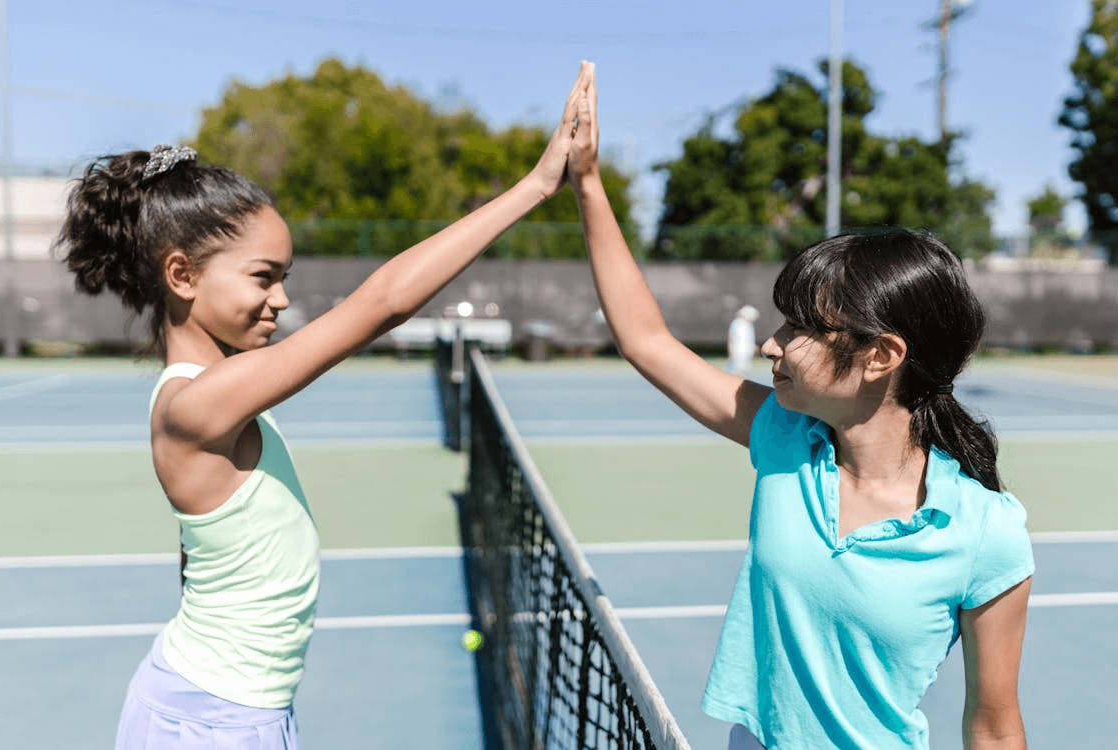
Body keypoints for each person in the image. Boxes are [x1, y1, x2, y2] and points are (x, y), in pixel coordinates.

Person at [56, 62, 593, 750]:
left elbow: (199, 554)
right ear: (181, 275)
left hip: (236, 709)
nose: (280, 298)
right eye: (263, 277)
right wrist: (536, 185)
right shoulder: (198, 405)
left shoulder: (216, 395)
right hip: (211, 720)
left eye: (284, 277)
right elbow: (382, 303)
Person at [567, 69, 1033, 749]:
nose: (769, 344)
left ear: (881, 356)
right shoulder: (786, 440)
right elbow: (645, 341)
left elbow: (993, 727)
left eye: (801, 330)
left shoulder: (985, 532)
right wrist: (586, 183)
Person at [727, 304, 759, 375]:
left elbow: (749, 339)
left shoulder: (749, 325)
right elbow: (732, 339)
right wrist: (732, 353)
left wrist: (753, 347)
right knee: (737, 373)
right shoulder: (737, 324)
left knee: (745, 372)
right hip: (738, 353)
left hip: (747, 354)